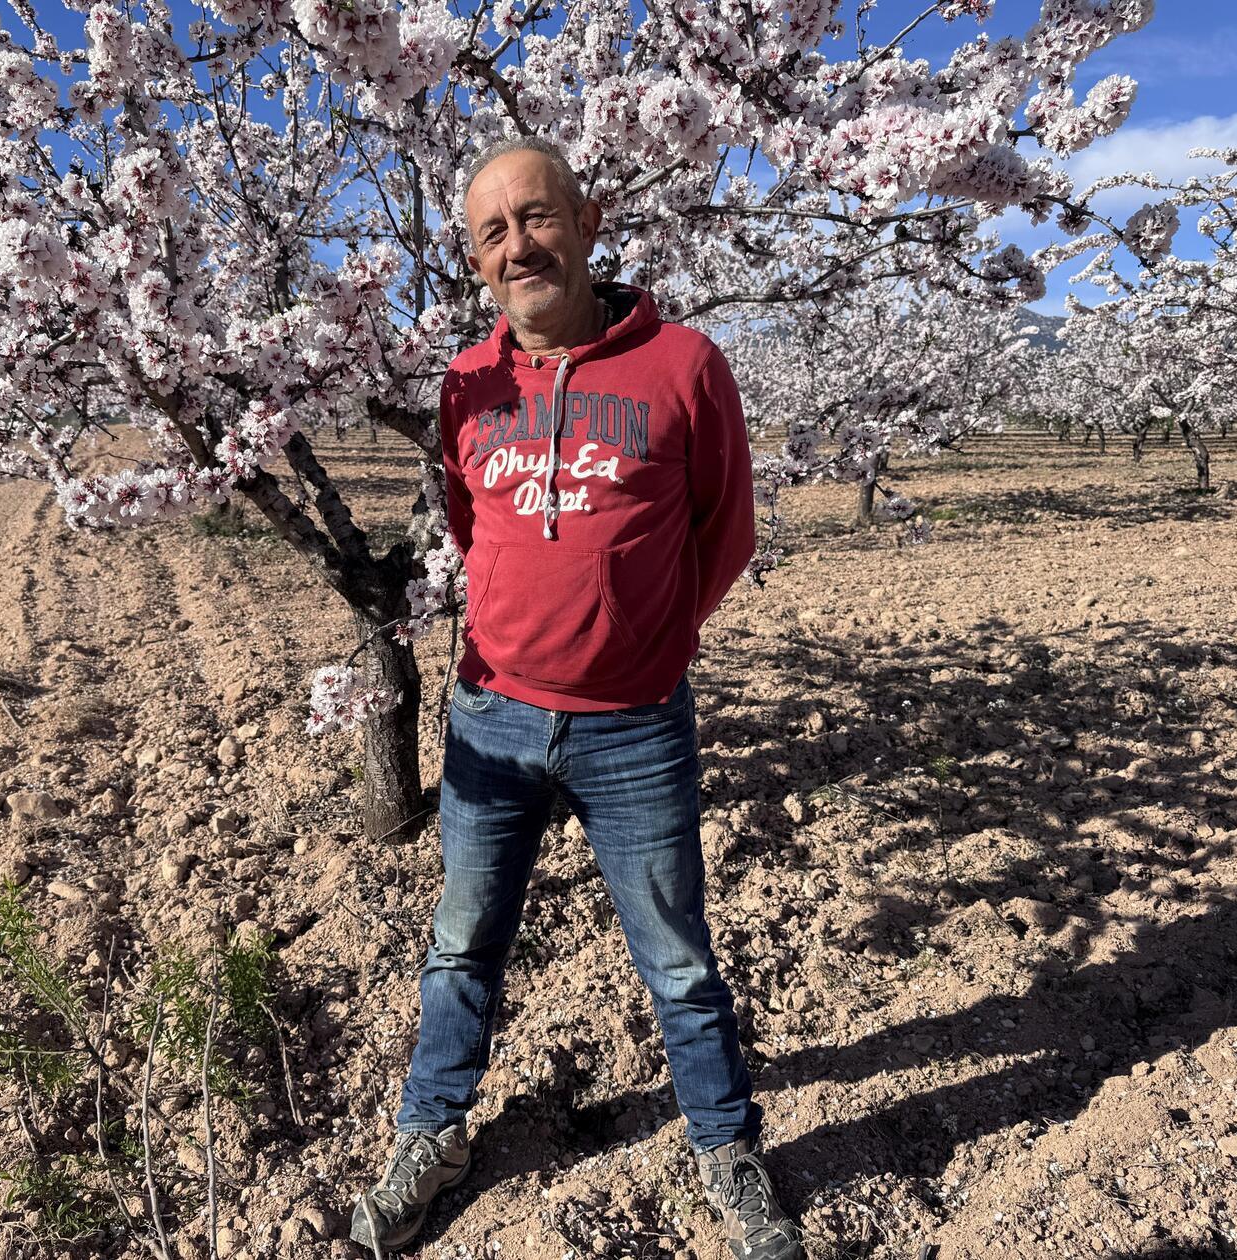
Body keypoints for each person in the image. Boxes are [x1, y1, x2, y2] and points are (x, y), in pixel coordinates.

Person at [350, 137, 805, 1260]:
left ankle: (725, 1147)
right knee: (461, 945)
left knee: (678, 956)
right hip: (491, 718)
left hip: (635, 729)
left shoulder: (685, 365)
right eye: (494, 232)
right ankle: (433, 1133)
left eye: (538, 217)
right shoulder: (469, 383)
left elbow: (725, 529)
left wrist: (643, 643)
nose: (520, 246)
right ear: (477, 257)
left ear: (589, 221)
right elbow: (470, 531)